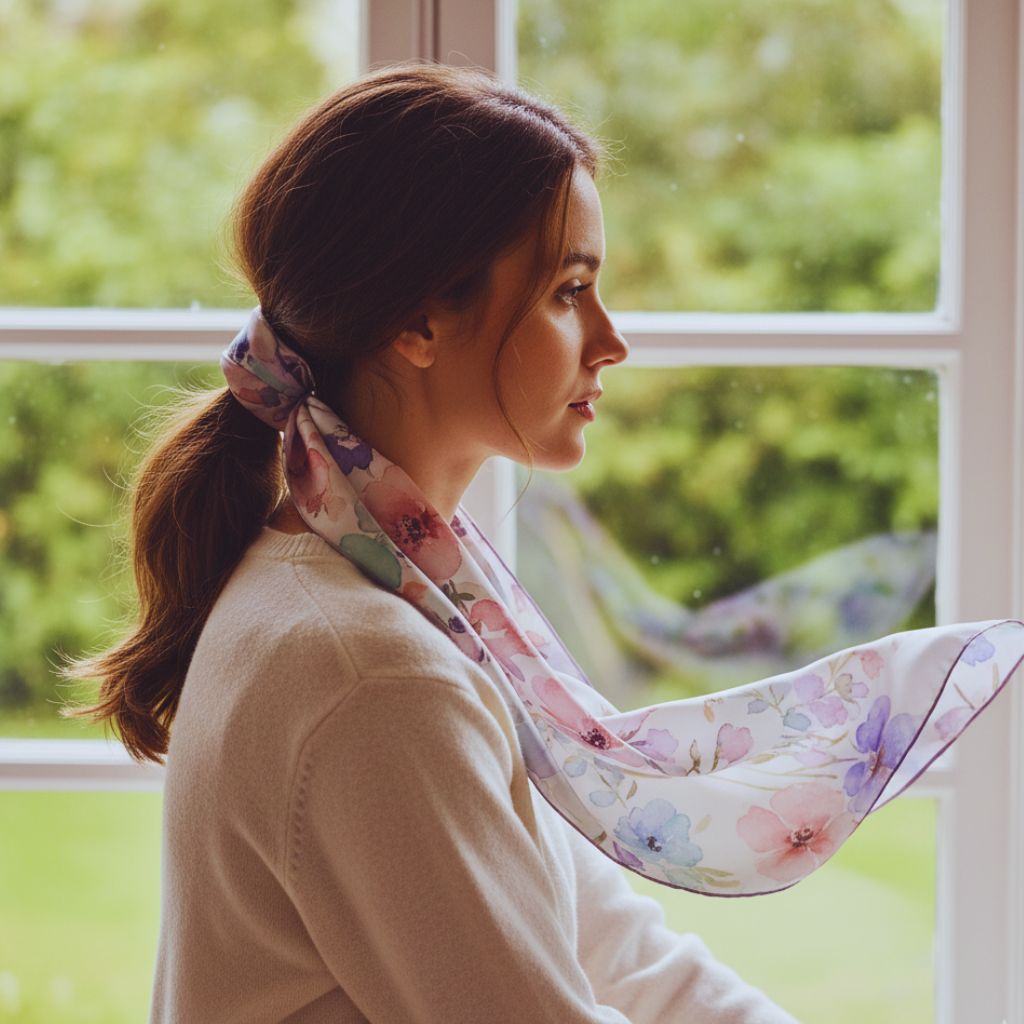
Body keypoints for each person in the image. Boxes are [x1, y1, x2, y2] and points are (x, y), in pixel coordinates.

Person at [60, 60, 802, 1022]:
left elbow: (610, 944)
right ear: (419, 319)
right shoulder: (369, 672)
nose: (612, 339)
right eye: (569, 292)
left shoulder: (387, 588)